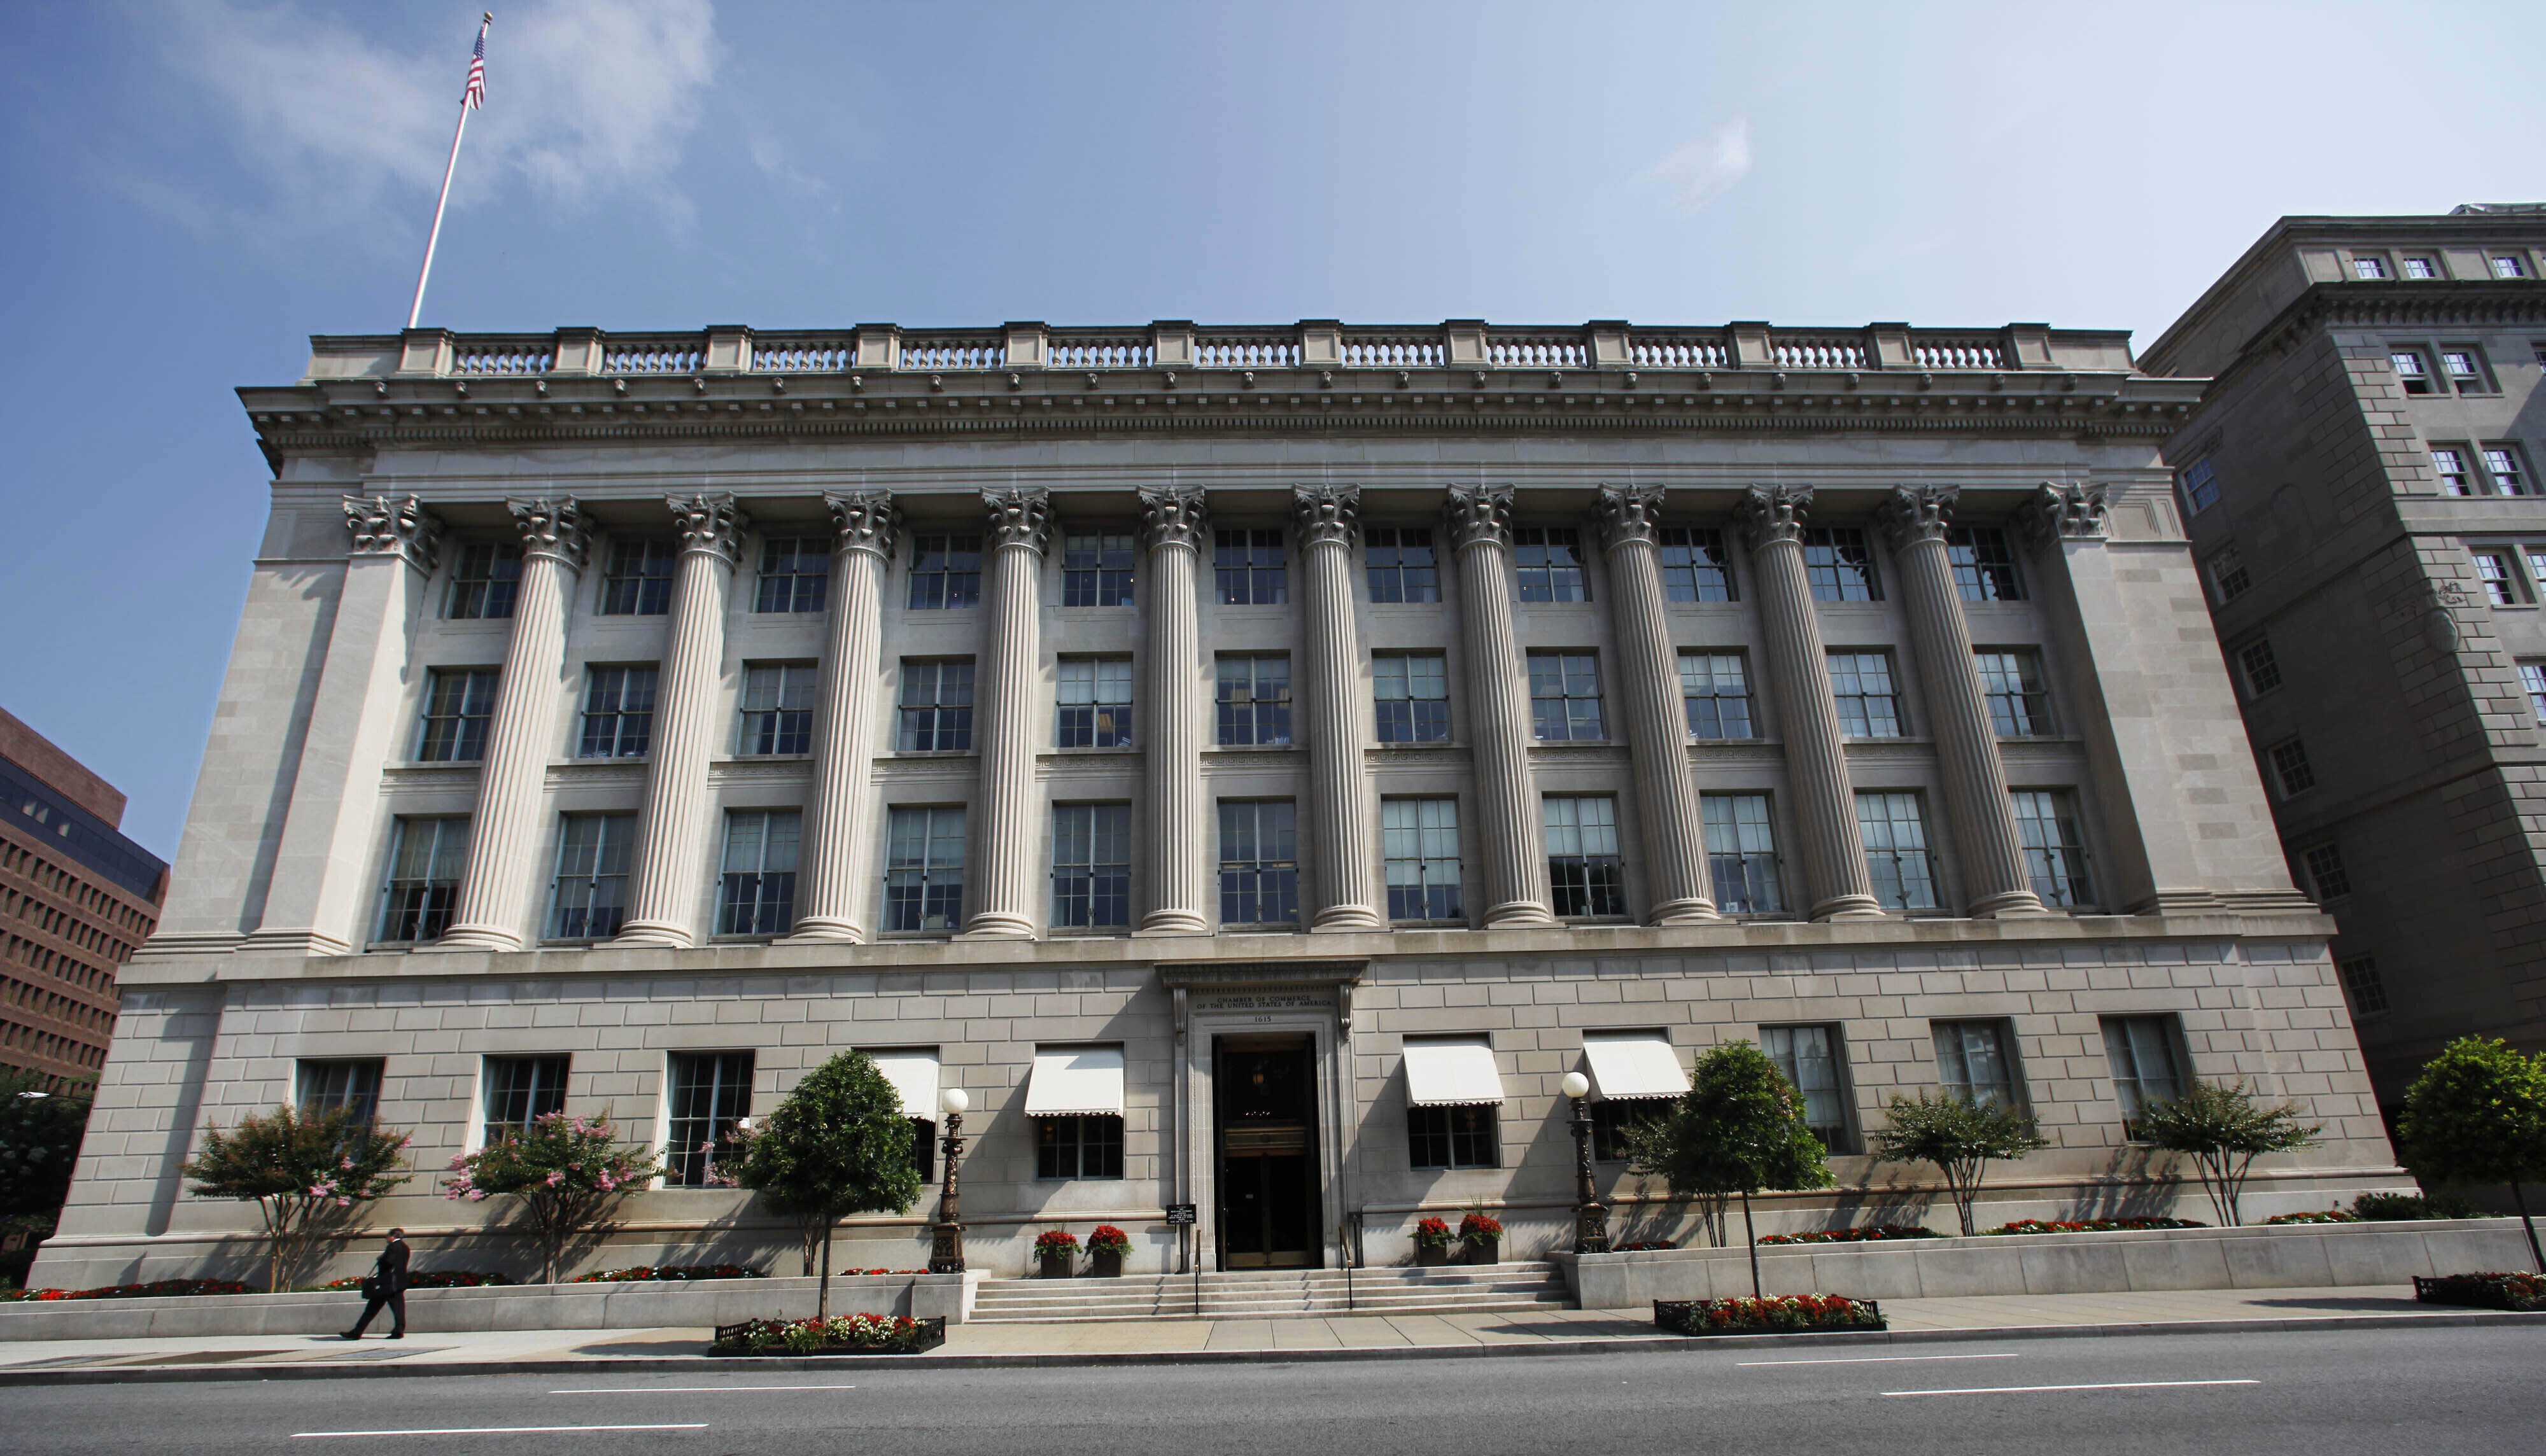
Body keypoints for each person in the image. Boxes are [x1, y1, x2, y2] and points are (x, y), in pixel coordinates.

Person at [342, 1228, 411, 1340]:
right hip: (398, 1283)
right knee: (399, 1309)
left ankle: (356, 1332)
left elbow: (389, 1261)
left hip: (387, 1284)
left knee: (371, 1309)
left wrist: (381, 1259)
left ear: (393, 1236)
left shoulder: (393, 1247)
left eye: (388, 1236)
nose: (387, 1238)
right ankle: (398, 1330)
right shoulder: (405, 1247)